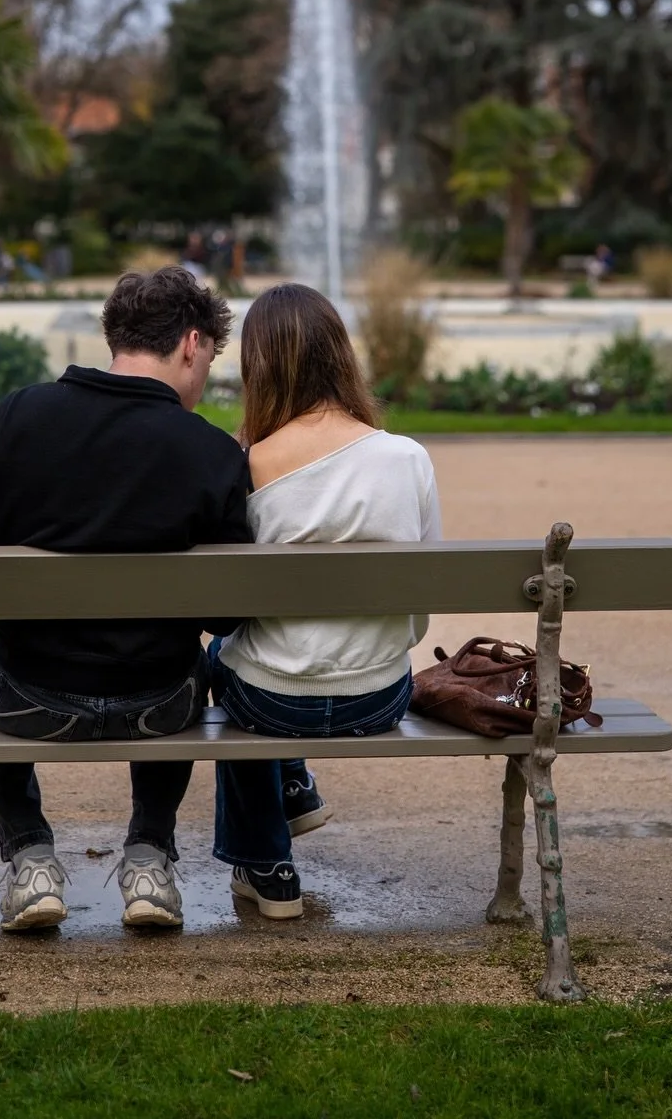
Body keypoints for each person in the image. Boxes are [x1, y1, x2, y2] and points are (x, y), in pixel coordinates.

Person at [0, 267, 251, 933]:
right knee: (187, 661)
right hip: (157, 707)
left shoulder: (16, 416)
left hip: (31, 700)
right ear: (192, 344)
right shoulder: (211, 451)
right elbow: (225, 617)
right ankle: (148, 858)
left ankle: (29, 856)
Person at [208, 283, 441, 920]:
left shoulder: (246, 463)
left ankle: (268, 863)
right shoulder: (408, 459)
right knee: (251, 657)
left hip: (274, 704)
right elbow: (420, 606)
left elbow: (230, 607)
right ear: (340, 355)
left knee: (223, 660)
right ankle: (293, 784)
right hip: (380, 698)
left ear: (260, 366)